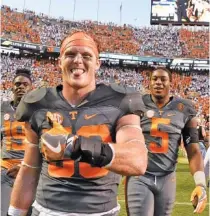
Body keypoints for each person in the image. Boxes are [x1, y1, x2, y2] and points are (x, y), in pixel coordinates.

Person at [8, 31, 148, 216]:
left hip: (101, 212)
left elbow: (137, 161)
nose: (78, 60)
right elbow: (29, 169)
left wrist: (72, 145)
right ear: (59, 61)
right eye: (70, 54)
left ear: (98, 63)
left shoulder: (120, 100)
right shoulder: (37, 104)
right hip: (47, 211)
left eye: (87, 55)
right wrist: (15, 213)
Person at [126, 67, 207, 216]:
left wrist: (200, 183)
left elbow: (193, 150)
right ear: (148, 82)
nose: (158, 82)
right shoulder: (136, 104)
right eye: (154, 79)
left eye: (163, 79)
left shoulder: (184, 108)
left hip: (167, 177)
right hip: (140, 176)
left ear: (171, 83)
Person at [1, 69, 32, 216]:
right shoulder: (2, 109)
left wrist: (25, 166)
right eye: (17, 84)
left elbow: (45, 146)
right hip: (5, 169)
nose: (21, 87)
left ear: (31, 88)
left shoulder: (39, 111)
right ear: (11, 87)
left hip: (29, 170)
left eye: (25, 84)